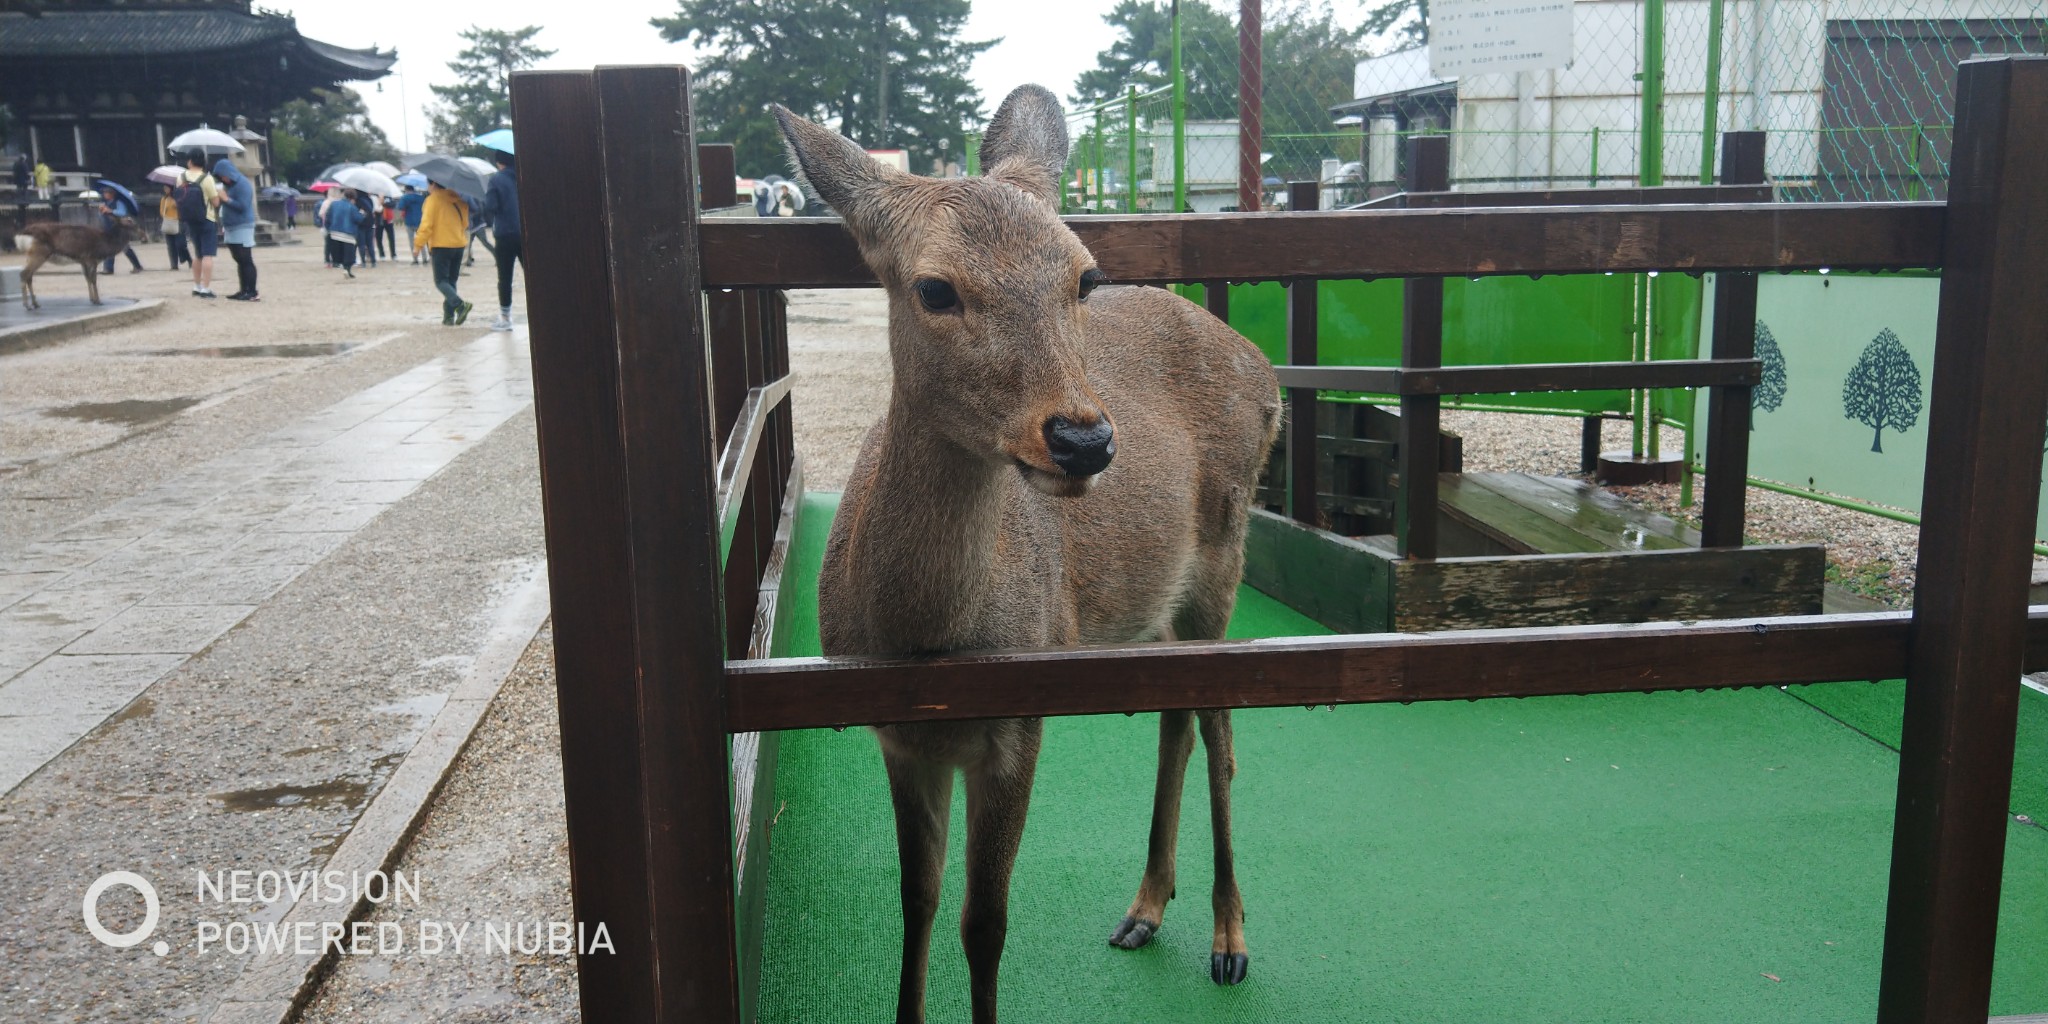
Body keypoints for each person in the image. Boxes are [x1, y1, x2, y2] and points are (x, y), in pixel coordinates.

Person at [416, 179, 472, 325]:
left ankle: (460, 305)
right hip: (459, 244)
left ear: (433, 184)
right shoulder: (458, 199)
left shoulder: (432, 200)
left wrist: (418, 245)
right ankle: (448, 316)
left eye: (428, 184)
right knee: (451, 281)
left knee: (441, 281)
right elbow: (465, 223)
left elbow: (426, 225)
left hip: (441, 245)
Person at [171, 152, 220, 298]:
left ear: (190, 161)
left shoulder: (181, 177)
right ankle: (206, 288)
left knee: (197, 254)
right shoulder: (207, 178)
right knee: (208, 254)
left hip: (189, 219)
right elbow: (215, 202)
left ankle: (197, 285)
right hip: (207, 218)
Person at [482, 151, 522, 331]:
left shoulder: (496, 179)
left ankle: (505, 317)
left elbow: (491, 206)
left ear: (499, 162)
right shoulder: (523, 175)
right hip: (525, 231)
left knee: (505, 277)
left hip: (505, 233)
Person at [213, 158, 258, 301]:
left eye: (223, 176)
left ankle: (251, 291)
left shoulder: (243, 184)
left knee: (246, 258)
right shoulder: (228, 186)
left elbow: (243, 206)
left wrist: (226, 199)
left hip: (243, 225)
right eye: (220, 177)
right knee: (238, 259)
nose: (223, 179)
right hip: (231, 226)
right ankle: (243, 289)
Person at [96, 186, 145, 273]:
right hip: (109, 228)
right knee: (109, 248)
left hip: (120, 229)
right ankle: (108, 268)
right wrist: (102, 211)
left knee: (125, 248)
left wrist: (110, 210)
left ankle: (137, 265)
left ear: (112, 194)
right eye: (104, 193)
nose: (105, 194)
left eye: (107, 193)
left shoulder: (118, 202)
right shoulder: (105, 203)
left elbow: (122, 212)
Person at [323, 187, 363, 278]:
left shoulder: (334, 204)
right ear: (353, 198)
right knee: (349, 254)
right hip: (348, 234)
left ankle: (345, 269)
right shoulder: (352, 207)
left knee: (340, 253)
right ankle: (347, 269)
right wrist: (362, 214)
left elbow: (328, 217)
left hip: (335, 233)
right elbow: (358, 219)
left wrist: (329, 228)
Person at [158, 185, 189, 271]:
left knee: (180, 244)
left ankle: (186, 258)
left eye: (167, 188)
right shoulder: (164, 199)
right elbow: (161, 211)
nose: (165, 190)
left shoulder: (178, 198)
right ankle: (174, 264)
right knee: (170, 245)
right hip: (168, 222)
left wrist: (177, 206)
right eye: (164, 188)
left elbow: (184, 209)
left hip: (178, 222)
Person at [396, 184, 425, 264]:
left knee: (412, 242)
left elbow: (400, 207)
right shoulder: (420, 197)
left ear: (406, 190)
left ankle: (415, 259)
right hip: (420, 221)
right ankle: (425, 258)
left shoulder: (405, 198)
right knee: (421, 240)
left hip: (409, 222)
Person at [352, 188, 377, 268]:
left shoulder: (357, 201)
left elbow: (356, 212)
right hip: (370, 223)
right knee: (370, 244)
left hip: (360, 224)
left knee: (361, 244)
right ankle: (373, 261)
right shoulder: (369, 200)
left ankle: (363, 262)